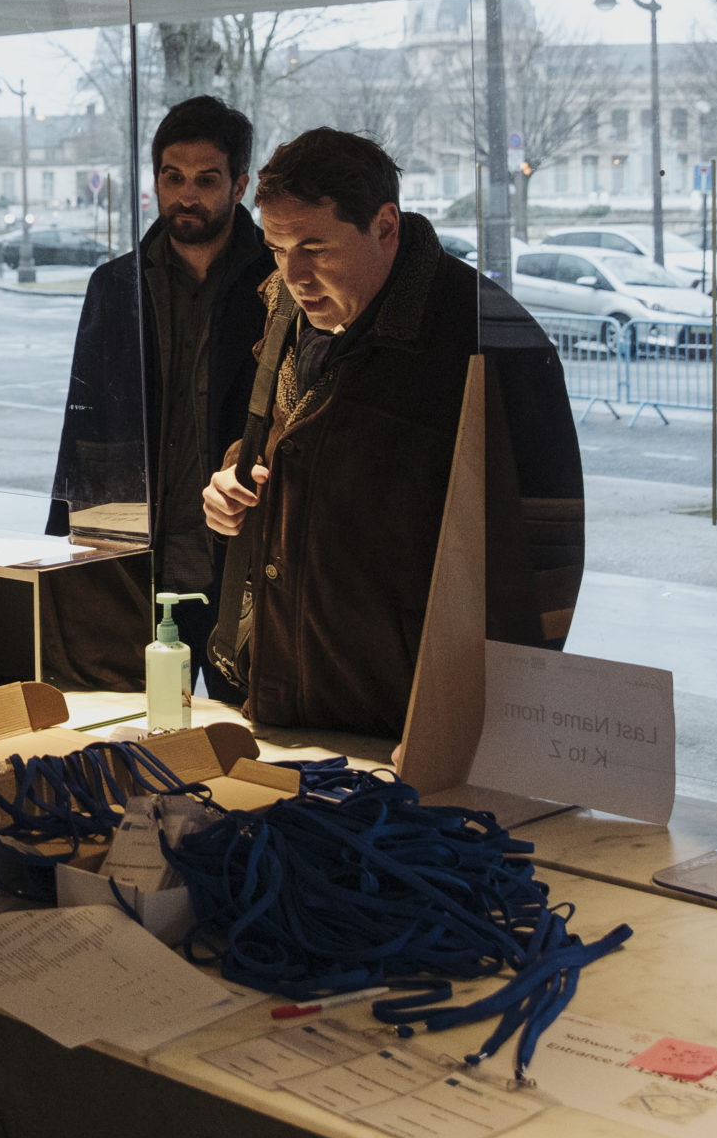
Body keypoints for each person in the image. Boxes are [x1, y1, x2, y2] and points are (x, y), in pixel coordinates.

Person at [201, 130, 584, 737]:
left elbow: (546, 552)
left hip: (410, 720)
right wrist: (236, 478)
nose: (294, 274)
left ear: (385, 225)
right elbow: (293, 435)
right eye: (277, 248)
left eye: (315, 247)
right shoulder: (287, 307)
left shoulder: (485, 334)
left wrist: (492, 725)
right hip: (289, 693)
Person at [53, 96, 272, 687]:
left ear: (240, 186)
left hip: (239, 564)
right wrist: (64, 555)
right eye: (173, 178)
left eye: (207, 180)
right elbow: (83, 428)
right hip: (136, 562)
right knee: (133, 726)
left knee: (244, 729)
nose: (186, 196)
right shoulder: (115, 284)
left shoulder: (278, 284)